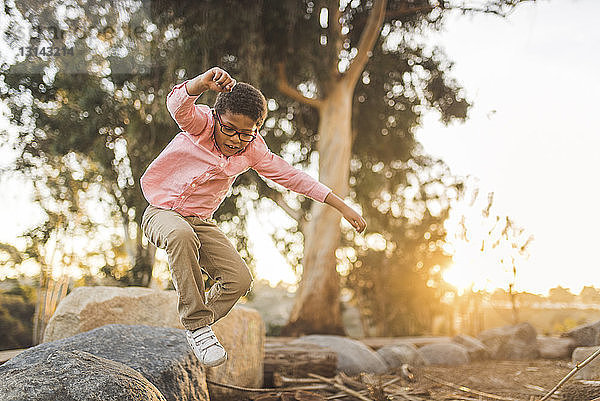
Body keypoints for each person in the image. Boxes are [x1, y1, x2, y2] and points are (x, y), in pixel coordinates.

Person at [140, 67, 367, 367]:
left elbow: (293, 177)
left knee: (239, 279)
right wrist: (200, 83)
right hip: (161, 212)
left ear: (256, 130)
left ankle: (199, 327)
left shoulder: (254, 151)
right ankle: (196, 324)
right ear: (218, 118)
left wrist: (341, 205)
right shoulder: (201, 124)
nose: (235, 140)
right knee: (181, 235)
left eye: (246, 134)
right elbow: (177, 105)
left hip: (201, 220)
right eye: (230, 129)